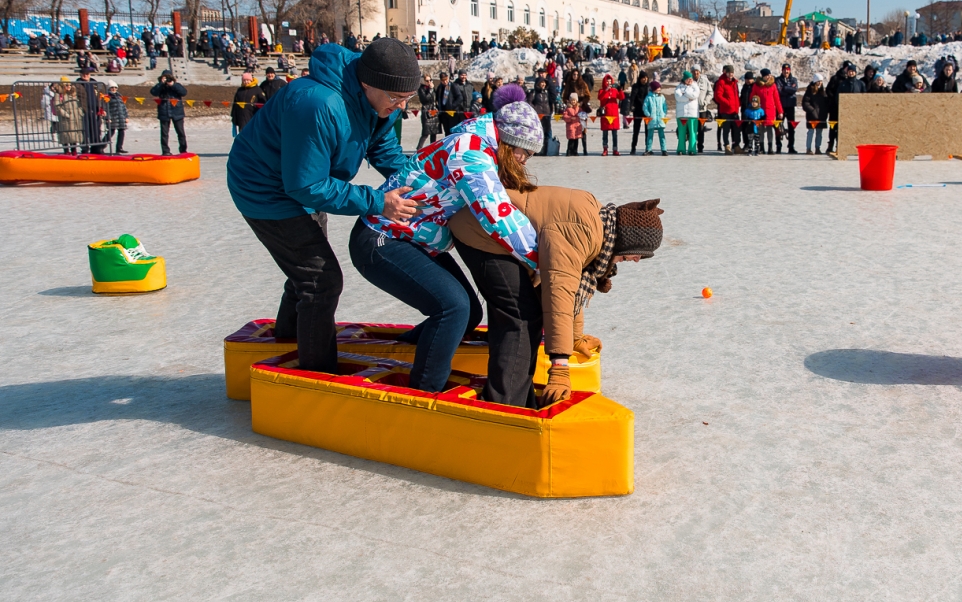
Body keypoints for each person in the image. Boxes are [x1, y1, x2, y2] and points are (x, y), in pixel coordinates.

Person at [226, 39, 419, 374]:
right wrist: (376, 201)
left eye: (408, 99)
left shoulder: (380, 100)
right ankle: (315, 374)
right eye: (396, 99)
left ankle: (288, 338)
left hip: (308, 178)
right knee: (322, 280)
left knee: (305, 272)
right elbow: (306, 186)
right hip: (264, 188)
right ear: (367, 84)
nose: (402, 106)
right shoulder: (318, 103)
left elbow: (384, 149)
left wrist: (422, 183)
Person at [351, 100, 545, 393]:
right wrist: (540, 259)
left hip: (413, 239)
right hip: (380, 237)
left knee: (469, 314)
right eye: (525, 152)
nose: (525, 160)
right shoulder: (471, 154)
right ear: (510, 142)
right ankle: (424, 390)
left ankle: (405, 352)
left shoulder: (481, 146)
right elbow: (497, 214)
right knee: (453, 307)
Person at [449, 191, 661, 407]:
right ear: (627, 238)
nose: (636, 260)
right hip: (482, 233)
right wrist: (559, 369)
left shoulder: (599, 224)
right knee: (521, 317)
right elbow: (558, 294)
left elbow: (572, 288)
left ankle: (516, 393)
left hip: (495, 232)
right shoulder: (583, 231)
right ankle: (504, 404)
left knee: (526, 313)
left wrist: (574, 337)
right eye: (638, 253)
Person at [150, 69, 188, 155]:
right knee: (164, 133)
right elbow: (153, 92)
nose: (167, 80)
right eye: (165, 78)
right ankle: (165, 151)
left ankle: (183, 150)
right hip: (164, 111)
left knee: (180, 132)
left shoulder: (176, 85)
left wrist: (173, 85)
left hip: (177, 111)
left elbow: (184, 92)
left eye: (168, 78)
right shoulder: (160, 87)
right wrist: (161, 84)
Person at [754, 68, 783, 153]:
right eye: (767, 75)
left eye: (770, 75)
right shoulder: (757, 85)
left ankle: (770, 147)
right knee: (761, 129)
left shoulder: (773, 85)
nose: (769, 77)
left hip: (770, 111)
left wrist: (780, 111)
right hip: (760, 111)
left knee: (770, 129)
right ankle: (762, 147)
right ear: (763, 76)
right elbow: (753, 98)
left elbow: (777, 99)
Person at [714, 65, 741, 154]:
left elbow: (736, 95)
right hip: (725, 111)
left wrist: (738, 104)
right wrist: (728, 103)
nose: (731, 75)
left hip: (734, 110)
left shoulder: (735, 82)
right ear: (726, 73)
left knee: (736, 129)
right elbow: (718, 96)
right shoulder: (721, 82)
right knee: (726, 130)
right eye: (729, 73)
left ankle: (736, 146)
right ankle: (727, 146)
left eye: (732, 73)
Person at [674, 71, 700, 155]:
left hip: (692, 114)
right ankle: (681, 149)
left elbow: (695, 95)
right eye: (688, 79)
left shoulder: (695, 86)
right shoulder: (679, 87)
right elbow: (678, 97)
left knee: (692, 133)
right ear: (684, 79)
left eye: (691, 79)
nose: (690, 80)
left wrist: (685, 93)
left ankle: (692, 149)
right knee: (681, 133)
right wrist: (689, 98)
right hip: (682, 114)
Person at [597, 74, 624, 156]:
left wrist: (620, 90)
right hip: (606, 115)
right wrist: (606, 90)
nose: (609, 83)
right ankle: (605, 149)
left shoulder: (614, 91)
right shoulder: (601, 91)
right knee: (605, 134)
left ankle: (615, 149)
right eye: (607, 81)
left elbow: (622, 97)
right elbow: (600, 98)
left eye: (610, 81)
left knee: (614, 134)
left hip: (614, 115)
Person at [232, 72, 264, 138]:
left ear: (251, 80)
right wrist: (233, 117)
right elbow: (235, 103)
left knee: (252, 135)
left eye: (247, 80)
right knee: (242, 135)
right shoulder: (240, 90)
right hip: (241, 117)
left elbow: (263, 103)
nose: (246, 82)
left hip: (252, 116)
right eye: (244, 80)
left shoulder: (257, 90)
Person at [801, 73, 828, 155]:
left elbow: (826, 103)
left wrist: (825, 112)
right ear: (815, 82)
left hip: (821, 116)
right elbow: (805, 103)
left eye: (821, 81)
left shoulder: (823, 92)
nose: (820, 83)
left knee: (819, 132)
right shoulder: (809, 91)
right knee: (811, 132)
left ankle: (817, 148)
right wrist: (812, 111)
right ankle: (808, 148)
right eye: (818, 81)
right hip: (811, 116)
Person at [775, 63, 799, 154]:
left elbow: (794, 89)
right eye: (785, 70)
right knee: (778, 127)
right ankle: (778, 146)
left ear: (790, 70)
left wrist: (784, 88)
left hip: (790, 106)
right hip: (780, 107)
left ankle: (791, 146)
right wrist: (788, 90)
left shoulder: (794, 80)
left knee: (791, 127)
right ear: (782, 70)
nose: (786, 71)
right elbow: (778, 91)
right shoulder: (777, 80)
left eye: (788, 69)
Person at [528, 76, 555, 151]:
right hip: (538, 115)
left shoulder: (547, 92)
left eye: (544, 82)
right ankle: (537, 149)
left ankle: (548, 148)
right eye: (541, 82)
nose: (543, 84)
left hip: (547, 114)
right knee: (538, 132)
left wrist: (551, 110)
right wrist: (535, 109)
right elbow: (529, 102)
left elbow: (551, 102)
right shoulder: (534, 92)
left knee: (548, 132)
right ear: (538, 83)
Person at [416, 74, 442, 149]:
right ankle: (419, 148)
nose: (429, 82)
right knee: (425, 132)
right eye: (427, 81)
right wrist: (430, 89)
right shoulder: (421, 89)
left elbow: (435, 97)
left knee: (434, 132)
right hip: (426, 111)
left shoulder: (432, 87)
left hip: (434, 110)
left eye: (430, 80)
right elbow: (425, 99)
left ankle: (433, 148)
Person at [643, 80, 668, 156]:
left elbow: (665, 106)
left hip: (660, 119)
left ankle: (664, 149)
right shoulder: (648, 97)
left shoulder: (662, 97)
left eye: (660, 88)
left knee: (662, 135)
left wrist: (663, 114)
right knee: (650, 135)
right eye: (658, 88)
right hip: (652, 119)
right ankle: (648, 149)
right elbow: (645, 107)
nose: (659, 90)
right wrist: (648, 114)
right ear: (654, 89)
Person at [628, 72, 651, 154]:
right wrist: (631, 107)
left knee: (647, 130)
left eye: (646, 78)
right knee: (636, 130)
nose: (645, 79)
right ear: (640, 78)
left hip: (647, 111)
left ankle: (648, 148)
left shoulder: (649, 87)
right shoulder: (636, 86)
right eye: (643, 78)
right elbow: (632, 97)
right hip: (638, 110)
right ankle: (633, 147)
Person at [103, 80, 128, 154]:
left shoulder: (120, 96)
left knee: (121, 132)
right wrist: (107, 118)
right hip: (113, 118)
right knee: (111, 132)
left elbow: (124, 108)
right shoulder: (107, 97)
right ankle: (101, 146)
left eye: (115, 87)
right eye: (112, 88)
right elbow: (105, 108)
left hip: (121, 117)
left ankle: (119, 148)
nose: (114, 89)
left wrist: (126, 116)